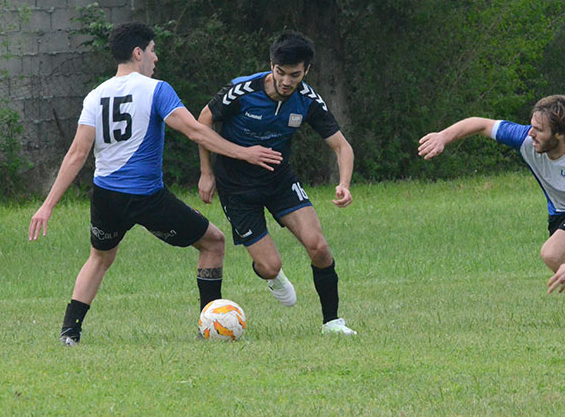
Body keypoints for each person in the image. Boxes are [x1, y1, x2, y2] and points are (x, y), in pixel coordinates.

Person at [28, 22, 282, 346]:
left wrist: (47, 205)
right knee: (213, 242)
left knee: (100, 258)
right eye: (151, 51)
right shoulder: (156, 89)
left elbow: (77, 154)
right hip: (147, 198)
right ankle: (211, 324)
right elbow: (195, 131)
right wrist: (243, 153)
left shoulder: (96, 95)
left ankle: (70, 332)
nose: (155, 57)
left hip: (105, 197)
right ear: (138, 53)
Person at [418, 95, 565, 327]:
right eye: (531, 126)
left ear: (559, 134)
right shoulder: (524, 138)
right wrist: (443, 136)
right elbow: (481, 124)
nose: (530, 133)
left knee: (554, 254)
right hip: (558, 213)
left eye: (539, 129)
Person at [197, 31, 357, 335]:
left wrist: (344, 183)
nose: (286, 81)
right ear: (271, 65)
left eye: (294, 75)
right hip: (237, 188)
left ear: (306, 71)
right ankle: (273, 277)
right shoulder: (241, 91)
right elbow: (202, 122)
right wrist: (207, 173)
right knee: (270, 265)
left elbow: (342, 146)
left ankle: (332, 322)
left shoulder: (306, 100)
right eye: (280, 72)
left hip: (279, 181)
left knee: (319, 247)